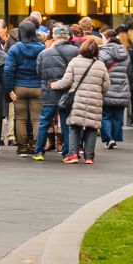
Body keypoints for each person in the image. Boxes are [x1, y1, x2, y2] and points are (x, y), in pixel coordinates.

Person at [52, 36, 110, 164]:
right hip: (95, 101)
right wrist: (99, 93)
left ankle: (73, 154)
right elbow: (106, 86)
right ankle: (89, 157)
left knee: (74, 126)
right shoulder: (100, 65)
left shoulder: (74, 62)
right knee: (92, 127)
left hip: (78, 99)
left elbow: (66, 81)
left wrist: (54, 84)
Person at [32, 22, 79, 161]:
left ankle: (38, 151)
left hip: (49, 90)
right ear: (68, 36)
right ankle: (66, 153)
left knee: (44, 121)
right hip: (68, 91)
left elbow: (39, 72)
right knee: (66, 122)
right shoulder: (75, 51)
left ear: (54, 36)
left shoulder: (44, 53)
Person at [3, 19, 45, 157]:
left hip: (19, 87)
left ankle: (22, 148)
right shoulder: (42, 48)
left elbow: (8, 70)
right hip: (37, 87)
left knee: (20, 118)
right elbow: (44, 69)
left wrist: (9, 89)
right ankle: (36, 146)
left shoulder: (15, 48)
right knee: (37, 119)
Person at [98, 28, 131, 150]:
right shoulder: (125, 52)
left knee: (105, 114)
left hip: (108, 86)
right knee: (118, 115)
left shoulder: (103, 52)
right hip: (122, 86)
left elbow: (100, 68)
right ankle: (115, 139)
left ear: (106, 38)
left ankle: (108, 139)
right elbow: (128, 70)